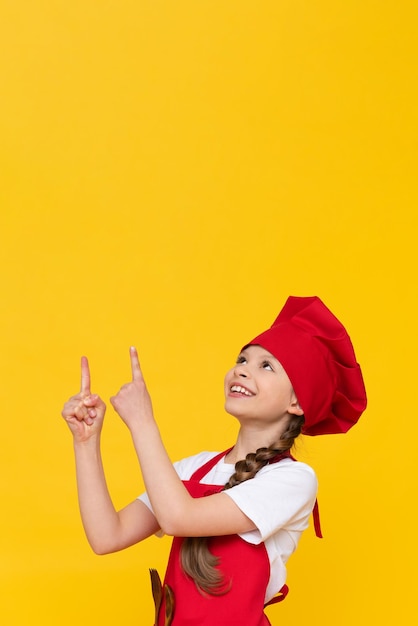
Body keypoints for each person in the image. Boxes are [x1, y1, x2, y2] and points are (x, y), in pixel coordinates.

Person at [62, 296, 367, 626]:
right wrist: (86, 441)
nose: (242, 369)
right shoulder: (194, 468)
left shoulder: (293, 479)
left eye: (266, 366)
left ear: (297, 401)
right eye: (242, 359)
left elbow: (180, 518)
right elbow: (108, 536)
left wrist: (142, 422)